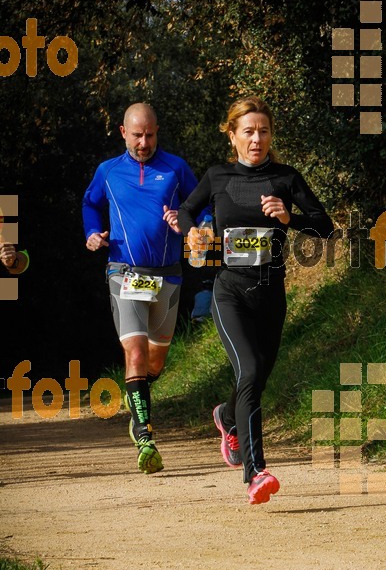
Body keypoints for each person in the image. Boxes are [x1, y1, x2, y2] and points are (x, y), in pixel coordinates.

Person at [178, 96, 334, 504]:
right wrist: (192, 232)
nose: (256, 139)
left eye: (263, 131)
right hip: (228, 290)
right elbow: (187, 211)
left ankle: (226, 417)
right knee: (248, 369)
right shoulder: (217, 176)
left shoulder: (286, 177)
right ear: (232, 136)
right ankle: (255, 472)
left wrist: (288, 218)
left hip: (270, 292)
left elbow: (324, 227)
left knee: (257, 376)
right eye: (248, 131)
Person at [82, 103, 207, 474]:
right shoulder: (108, 171)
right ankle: (145, 434)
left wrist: (187, 223)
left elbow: (202, 209)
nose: (144, 142)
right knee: (134, 354)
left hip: (168, 275)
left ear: (157, 131)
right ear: (123, 132)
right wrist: (92, 233)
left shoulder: (176, 167)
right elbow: (90, 204)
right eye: (137, 135)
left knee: (155, 361)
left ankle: (137, 392)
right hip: (124, 272)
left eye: (150, 135)